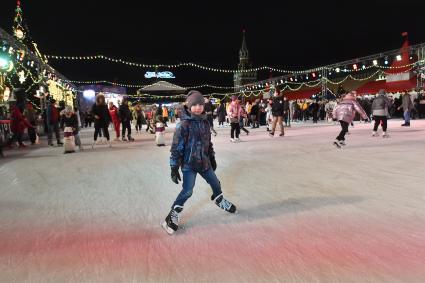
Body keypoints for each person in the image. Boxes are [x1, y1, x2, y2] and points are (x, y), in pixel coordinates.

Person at [162, 90, 237, 235]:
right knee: (188, 190)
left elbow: (208, 143)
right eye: (194, 104)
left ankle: (219, 199)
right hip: (189, 164)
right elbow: (176, 148)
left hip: (204, 162)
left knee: (216, 183)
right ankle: (173, 214)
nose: (198, 107)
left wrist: (212, 157)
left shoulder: (205, 122)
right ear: (189, 106)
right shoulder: (183, 125)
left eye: (200, 104)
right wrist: (174, 167)